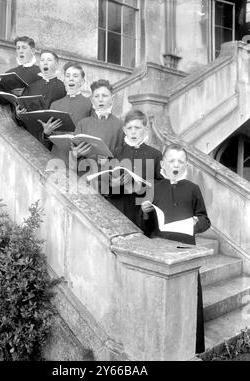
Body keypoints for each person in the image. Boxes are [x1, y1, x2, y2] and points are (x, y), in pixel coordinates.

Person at [141, 143, 211, 354]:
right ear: (162, 163)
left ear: (186, 165)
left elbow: (205, 220)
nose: (176, 164)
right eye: (171, 160)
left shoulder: (193, 188)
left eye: (180, 161)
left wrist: (195, 223)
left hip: (186, 251)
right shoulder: (153, 188)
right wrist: (144, 212)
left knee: (188, 299)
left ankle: (192, 346)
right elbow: (145, 228)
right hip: (162, 251)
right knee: (161, 301)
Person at [103, 109, 162, 229]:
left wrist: (143, 185)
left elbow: (161, 184)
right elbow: (105, 182)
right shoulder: (115, 152)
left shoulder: (155, 154)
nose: (133, 132)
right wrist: (112, 183)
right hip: (118, 208)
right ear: (124, 130)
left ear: (145, 129)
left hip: (141, 211)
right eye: (129, 128)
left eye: (137, 128)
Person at [38, 61, 92, 160]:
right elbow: (48, 140)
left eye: (75, 76)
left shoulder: (90, 104)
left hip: (79, 161)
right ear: (64, 80)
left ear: (82, 81)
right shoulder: (55, 104)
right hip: (56, 157)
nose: (71, 78)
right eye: (68, 76)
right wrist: (46, 133)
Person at [70, 79, 124, 171]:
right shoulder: (83, 124)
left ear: (112, 99)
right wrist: (76, 154)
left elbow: (124, 156)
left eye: (104, 96)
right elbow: (72, 156)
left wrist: (109, 162)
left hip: (107, 178)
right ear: (92, 100)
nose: (100, 99)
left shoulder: (120, 125)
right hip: (83, 176)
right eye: (96, 96)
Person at [0, 36, 41, 102]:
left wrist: (24, 93)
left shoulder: (40, 72)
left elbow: (45, 97)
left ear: (33, 51)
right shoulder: (9, 73)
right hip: (13, 111)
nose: (20, 51)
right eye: (18, 48)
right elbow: (3, 101)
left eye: (24, 48)